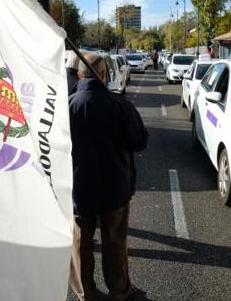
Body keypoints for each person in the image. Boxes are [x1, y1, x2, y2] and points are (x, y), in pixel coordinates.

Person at [69, 53, 148, 301]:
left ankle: (86, 293)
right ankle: (119, 291)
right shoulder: (120, 105)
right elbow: (139, 141)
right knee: (115, 243)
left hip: (79, 190)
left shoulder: (66, 107)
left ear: (80, 74)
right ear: (104, 75)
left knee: (81, 246)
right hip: (115, 188)